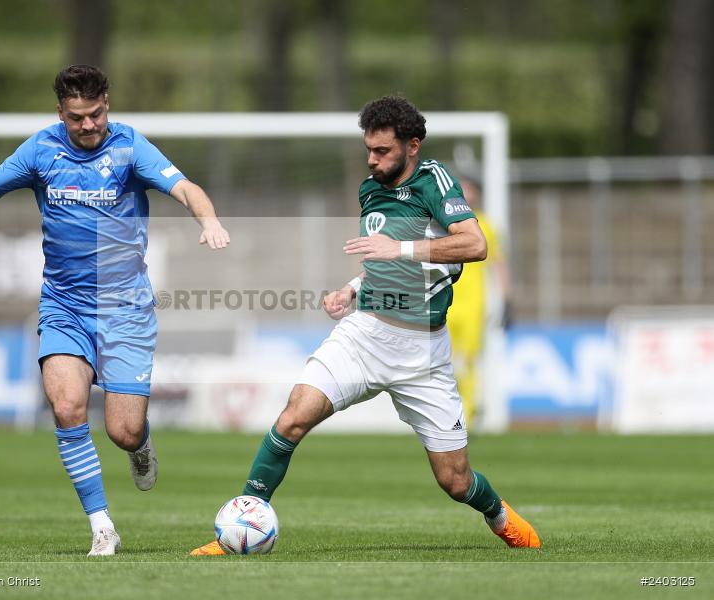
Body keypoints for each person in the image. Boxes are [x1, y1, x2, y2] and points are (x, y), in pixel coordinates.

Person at [190, 95, 539, 556]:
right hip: (365, 334)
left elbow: (474, 245)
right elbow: (382, 259)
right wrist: (352, 288)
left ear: (412, 145)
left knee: (454, 480)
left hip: (423, 353)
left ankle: (501, 518)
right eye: (369, 150)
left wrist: (403, 249)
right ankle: (238, 528)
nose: (372, 160)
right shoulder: (370, 190)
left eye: (383, 151)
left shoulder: (435, 182)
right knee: (294, 416)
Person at [0, 65, 230, 556]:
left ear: (108, 104)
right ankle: (102, 525)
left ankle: (140, 443)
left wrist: (207, 221)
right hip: (64, 305)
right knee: (66, 408)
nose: (89, 126)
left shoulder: (129, 147)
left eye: (96, 114)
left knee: (122, 431)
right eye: (78, 117)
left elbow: (186, 188)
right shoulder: (40, 150)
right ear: (60, 112)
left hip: (125, 307)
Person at [445, 178, 511, 426]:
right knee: (440, 361)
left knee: (469, 360)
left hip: (473, 305)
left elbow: (499, 263)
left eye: (469, 189)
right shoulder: (442, 222)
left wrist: (506, 299)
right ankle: (443, 414)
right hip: (444, 301)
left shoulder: (486, 226)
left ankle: (468, 416)